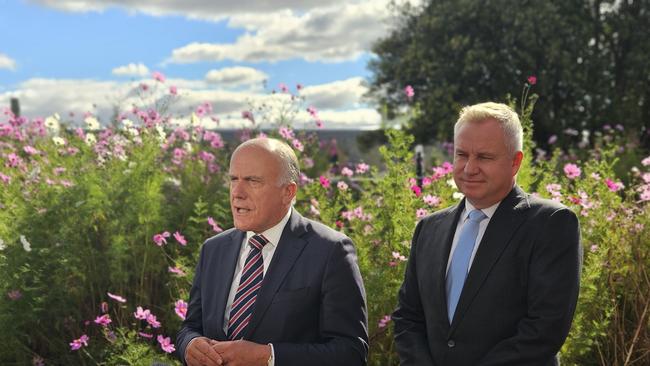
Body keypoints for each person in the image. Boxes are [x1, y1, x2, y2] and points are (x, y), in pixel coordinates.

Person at [393, 102, 582, 365]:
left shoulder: (550, 224)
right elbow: (408, 318)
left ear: (515, 162)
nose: (469, 168)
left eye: (484, 157)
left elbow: (544, 330)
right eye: (462, 155)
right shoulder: (428, 228)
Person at [177, 137, 368, 366]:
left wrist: (269, 357)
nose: (237, 192)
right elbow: (190, 326)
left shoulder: (331, 251)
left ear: (288, 192)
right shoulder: (214, 249)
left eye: (253, 181)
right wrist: (190, 344)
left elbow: (351, 353)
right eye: (233, 179)